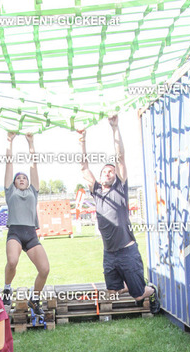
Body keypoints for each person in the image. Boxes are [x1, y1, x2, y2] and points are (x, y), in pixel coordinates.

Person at [77, 115, 160, 313]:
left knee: (138, 295)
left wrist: (115, 127)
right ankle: (135, 284)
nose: (108, 173)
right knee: (112, 291)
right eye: (105, 171)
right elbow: (83, 167)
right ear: (99, 177)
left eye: (111, 171)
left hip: (126, 251)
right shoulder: (96, 191)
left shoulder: (120, 189)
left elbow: (120, 157)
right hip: (109, 253)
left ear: (116, 176)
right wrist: (82, 140)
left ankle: (151, 290)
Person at [3, 131, 50, 315]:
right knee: (12, 261)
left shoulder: (33, 191)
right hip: (15, 232)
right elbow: (9, 164)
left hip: (31, 234)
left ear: (29, 183)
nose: (21, 179)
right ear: (14, 183)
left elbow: (33, 165)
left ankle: (34, 298)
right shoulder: (10, 192)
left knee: (44, 269)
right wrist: (10, 141)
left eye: (24, 178)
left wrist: (31, 143)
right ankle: (7, 288)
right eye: (18, 178)